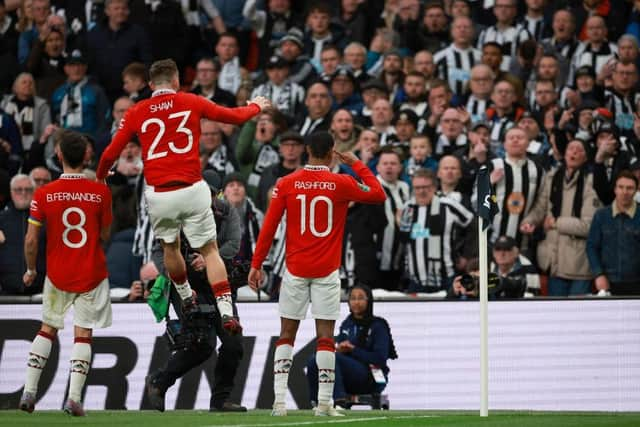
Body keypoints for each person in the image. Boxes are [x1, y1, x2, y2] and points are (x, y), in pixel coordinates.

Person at [96, 58, 271, 334]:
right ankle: (226, 309)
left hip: (160, 193)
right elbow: (234, 116)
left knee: (170, 248)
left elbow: (109, 154)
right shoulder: (192, 100)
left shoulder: (136, 111)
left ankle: (186, 296)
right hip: (192, 187)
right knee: (210, 249)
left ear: (151, 85)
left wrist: (101, 174)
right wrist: (256, 106)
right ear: (176, 81)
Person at [248, 131, 386, 416]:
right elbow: (378, 193)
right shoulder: (341, 183)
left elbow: (270, 227)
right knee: (325, 336)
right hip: (326, 271)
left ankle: (279, 403)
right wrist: (356, 163)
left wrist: (256, 264)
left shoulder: (286, 183)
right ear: (332, 150)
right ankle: (325, 402)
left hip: (295, 270)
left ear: (306, 149)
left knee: (287, 334)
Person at [19, 130, 113, 416]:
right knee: (83, 334)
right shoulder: (101, 191)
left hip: (58, 272)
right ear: (87, 156)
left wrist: (31, 268)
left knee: (47, 329)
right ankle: (74, 398)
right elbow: (106, 234)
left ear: (58, 155)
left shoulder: (43, 193)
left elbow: (31, 240)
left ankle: (29, 392)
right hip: (91, 272)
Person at [145, 171, 247, 413]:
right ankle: (160, 381)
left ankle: (221, 400)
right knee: (201, 343)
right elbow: (159, 253)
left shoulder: (226, 211)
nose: (208, 198)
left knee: (233, 343)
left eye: (212, 194)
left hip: (218, 281)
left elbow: (234, 243)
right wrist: (178, 273)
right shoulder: (177, 210)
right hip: (186, 286)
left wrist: (211, 259)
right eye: (205, 192)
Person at [306, 284, 398, 408]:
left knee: (333, 359)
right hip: (347, 375)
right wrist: (340, 349)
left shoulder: (378, 325)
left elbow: (380, 358)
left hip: (372, 375)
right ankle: (316, 402)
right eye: (353, 298)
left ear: (368, 301)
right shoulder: (347, 324)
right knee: (316, 358)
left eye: (360, 298)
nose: (356, 302)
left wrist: (353, 350)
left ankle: (338, 401)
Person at [587, 171, 640, 296]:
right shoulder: (601, 215)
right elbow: (591, 247)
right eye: (621, 187)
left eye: (629, 188)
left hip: (637, 283)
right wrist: (598, 274)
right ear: (615, 189)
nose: (625, 192)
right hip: (607, 283)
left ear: (636, 190)